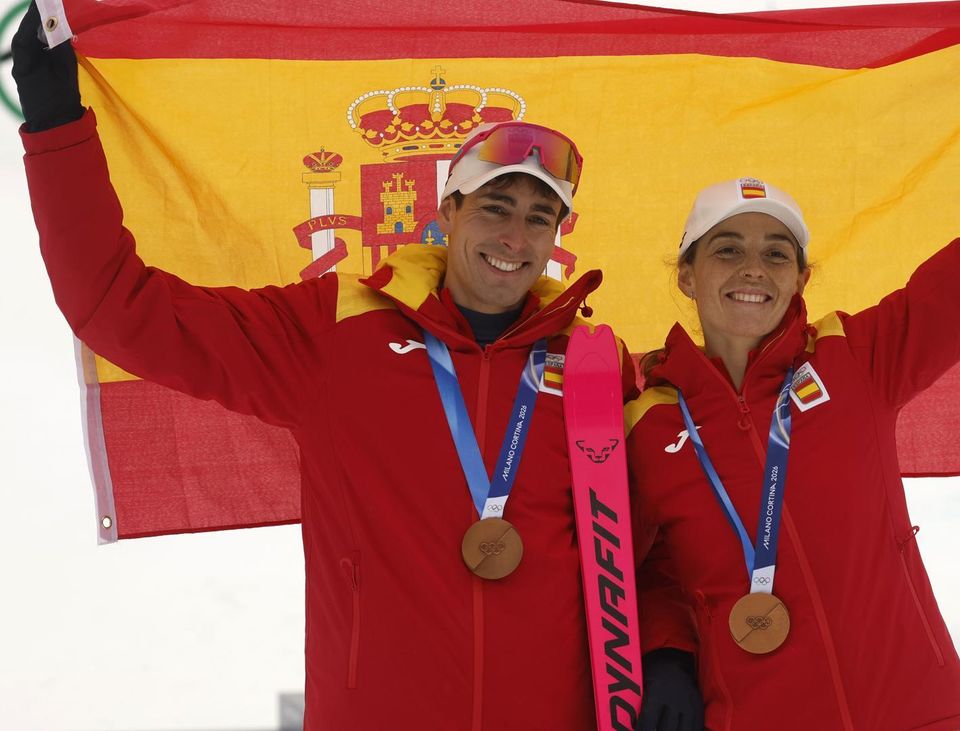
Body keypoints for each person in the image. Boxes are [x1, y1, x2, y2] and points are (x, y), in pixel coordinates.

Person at [11, 2, 705, 727]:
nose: (516, 236)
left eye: (541, 217)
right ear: (448, 210)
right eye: (497, 206)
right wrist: (57, 126)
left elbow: (652, 546)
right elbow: (118, 309)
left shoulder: (596, 365)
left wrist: (665, 650)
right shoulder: (335, 331)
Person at [627, 1, 960, 729]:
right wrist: (666, 651)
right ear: (687, 275)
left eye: (777, 252)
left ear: (801, 278)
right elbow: (638, 567)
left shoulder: (859, 358)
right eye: (727, 247)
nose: (754, 267)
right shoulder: (644, 414)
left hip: (917, 713)